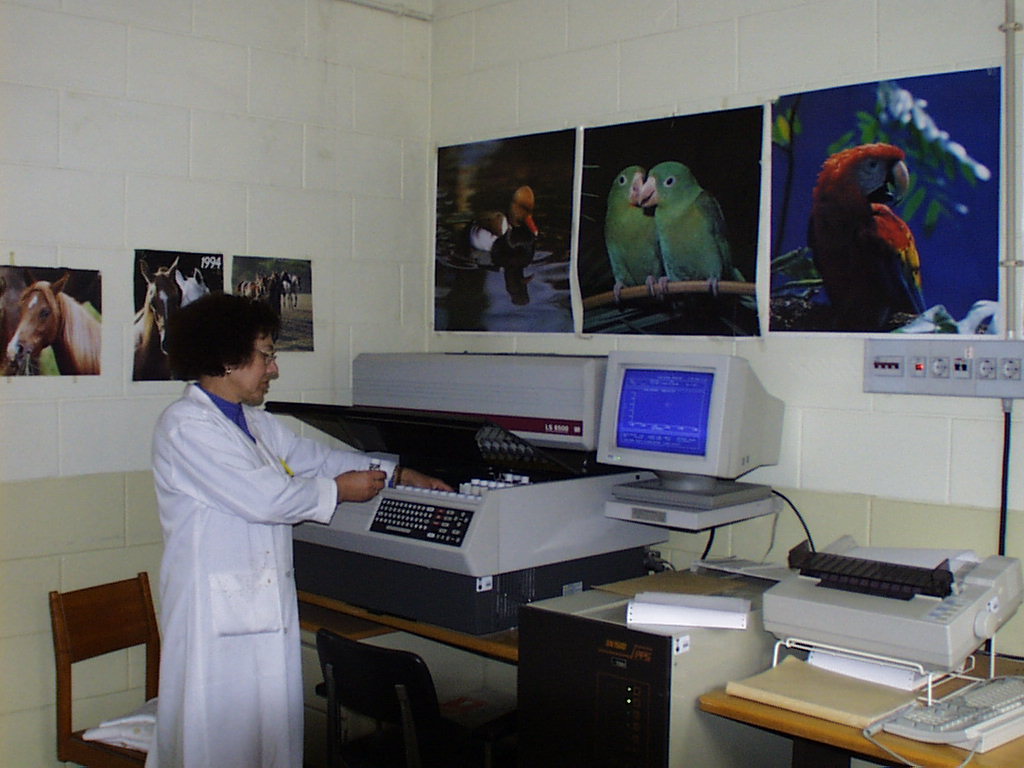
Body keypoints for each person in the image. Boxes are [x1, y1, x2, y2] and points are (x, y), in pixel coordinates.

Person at [146, 292, 449, 768]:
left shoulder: (254, 424)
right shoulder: (186, 428)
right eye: (266, 355)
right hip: (213, 614)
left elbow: (319, 459)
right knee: (214, 742)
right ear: (228, 359)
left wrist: (398, 473)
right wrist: (339, 491)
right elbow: (268, 498)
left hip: (257, 604)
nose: (274, 369)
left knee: (266, 739)